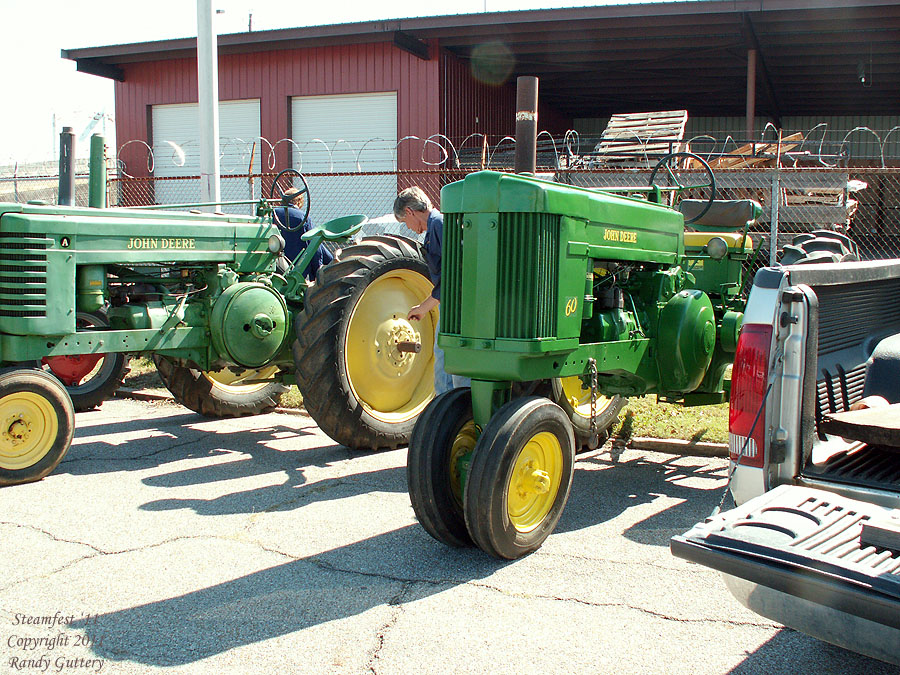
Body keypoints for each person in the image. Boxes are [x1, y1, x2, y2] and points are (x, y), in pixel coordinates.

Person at [394, 186, 469, 395]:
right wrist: (424, 307)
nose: (408, 227)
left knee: (455, 359)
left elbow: (455, 275)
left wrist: (425, 306)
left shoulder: (440, 225)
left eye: (404, 222)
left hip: (460, 304)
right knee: (443, 355)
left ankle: (460, 412)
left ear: (410, 211)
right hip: (451, 302)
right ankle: (444, 407)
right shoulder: (435, 227)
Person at [273, 187, 333, 280]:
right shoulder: (302, 218)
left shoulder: (272, 214)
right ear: (299, 201)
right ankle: (333, 262)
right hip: (297, 268)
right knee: (318, 243)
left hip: (274, 264)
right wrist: (318, 270)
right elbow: (314, 245)